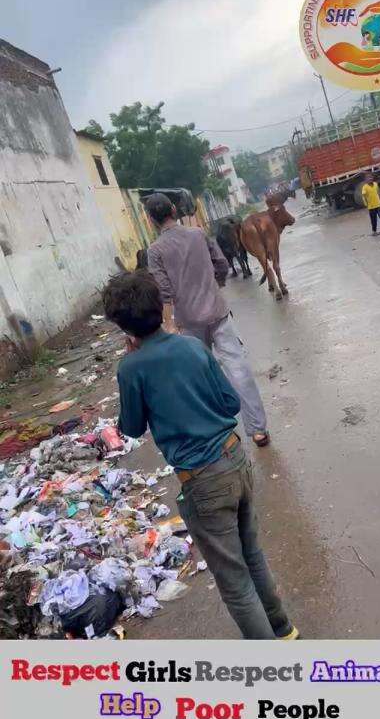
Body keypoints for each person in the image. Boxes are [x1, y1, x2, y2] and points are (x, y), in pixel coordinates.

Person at [102, 270, 298, 641]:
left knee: (235, 581)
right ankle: (283, 630)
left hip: (202, 480)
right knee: (251, 554)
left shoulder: (131, 367)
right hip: (235, 458)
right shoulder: (192, 347)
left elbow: (129, 427)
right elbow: (228, 402)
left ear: (120, 326)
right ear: (161, 307)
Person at [146, 192, 269, 448]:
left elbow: (164, 292)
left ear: (150, 219)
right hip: (218, 312)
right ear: (173, 209)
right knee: (238, 369)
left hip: (188, 322)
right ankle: (258, 430)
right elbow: (221, 264)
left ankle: (219, 435)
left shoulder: (155, 251)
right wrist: (216, 285)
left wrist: (169, 325)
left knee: (200, 378)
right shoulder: (198, 234)